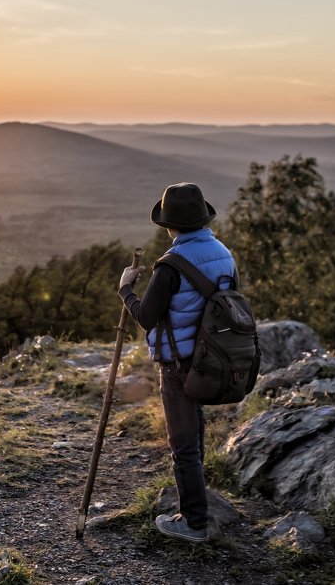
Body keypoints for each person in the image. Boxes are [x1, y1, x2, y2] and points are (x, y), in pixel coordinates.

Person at [117, 182, 235, 544]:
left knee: (182, 444)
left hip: (179, 363)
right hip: (210, 358)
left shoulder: (171, 265)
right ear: (202, 219)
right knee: (193, 432)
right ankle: (197, 501)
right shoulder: (223, 253)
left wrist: (125, 289)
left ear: (171, 226)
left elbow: (147, 317)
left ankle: (194, 522)